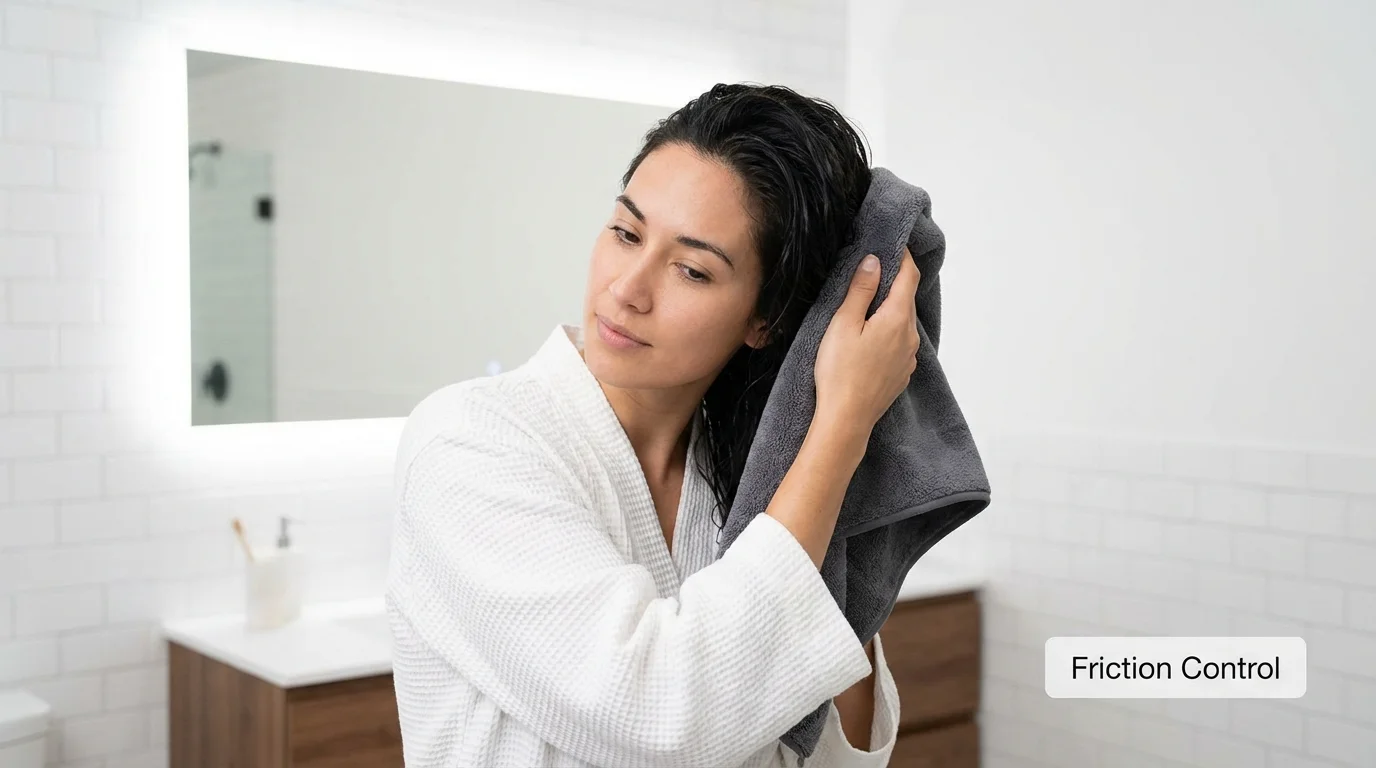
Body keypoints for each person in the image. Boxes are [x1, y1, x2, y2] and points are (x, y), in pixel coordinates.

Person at [386, 82, 922, 768]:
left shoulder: (748, 480)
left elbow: (819, 755)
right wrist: (843, 422)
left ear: (766, 320)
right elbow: (661, 715)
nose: (626, 290)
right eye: (626, 232)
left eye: (692, 271)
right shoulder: (468, 443)